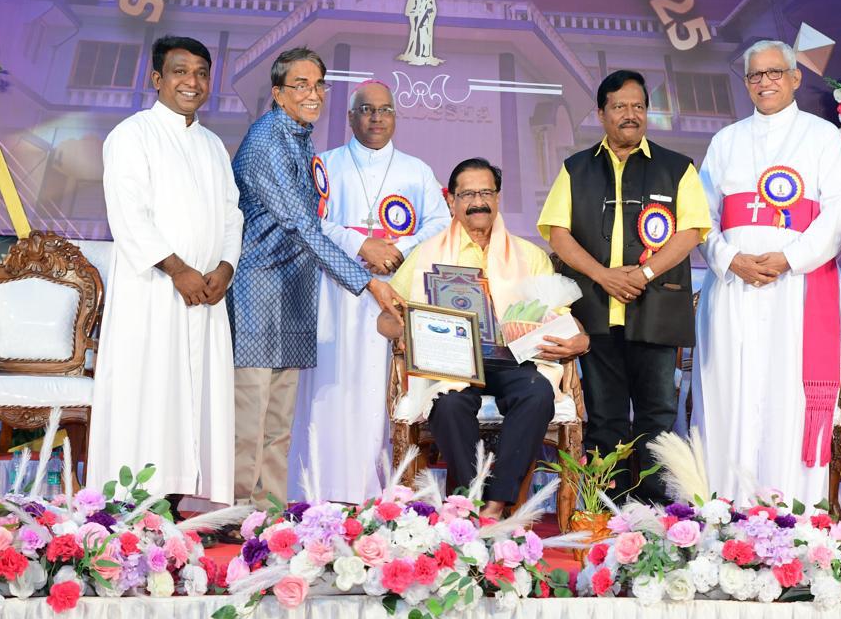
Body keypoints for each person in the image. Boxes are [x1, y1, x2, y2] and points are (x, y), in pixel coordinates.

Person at [228, 48, 402, 510]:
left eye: (318, 84)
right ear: (278, 92)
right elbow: (303, 226)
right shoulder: (267, 140)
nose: (312, 94)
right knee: (250, 416)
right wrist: (367, 282)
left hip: (293, 292)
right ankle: (236, 514)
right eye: (300, 84)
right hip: (258, 290)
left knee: (279, 421)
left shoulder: (299, 136)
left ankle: (268, 514)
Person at [379, 158, 589, 519]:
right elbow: (386, 318)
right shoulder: (427, 254)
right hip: (452, 365)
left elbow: (563, 316)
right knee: (448, 405)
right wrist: (407, 329)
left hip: (514, 360)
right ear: (451, 201)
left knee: (538, 393)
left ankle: (495, 504)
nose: (478, 202)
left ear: (498, 197)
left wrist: (581, 340)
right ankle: (471, 501)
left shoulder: (529, 255)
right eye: (468, 194)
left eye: (486, 193)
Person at [691, 40, 841, 506]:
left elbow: (838, 214)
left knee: (788, 393)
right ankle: (723, 504)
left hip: (798, 287)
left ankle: (793, 508)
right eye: (755, 75)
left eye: (775, 72)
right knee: (729, 390)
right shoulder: (726, 141)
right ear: (746, 83)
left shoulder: (823, 137)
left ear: (795, 77)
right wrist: (730, 259)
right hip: (733, 289)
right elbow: (701, 215)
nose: (765, 82)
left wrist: (788, 259)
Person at [538, 70, 710, 503]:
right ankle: (606, 506)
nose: (630, 115)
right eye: (619, 107)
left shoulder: (678, 167)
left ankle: (654, 509)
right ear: (601, 114)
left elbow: (691, 232)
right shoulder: (576, 168)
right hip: (597, 311)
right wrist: (604, 275)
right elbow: (558, 233)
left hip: (657, 309)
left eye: (638, 106)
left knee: (657, 415)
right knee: (605, 417)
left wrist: (643, 275)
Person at [89, 35, 241, 504]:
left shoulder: (213, 145)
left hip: (206, 295)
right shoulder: (132, 135)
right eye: (180, 71)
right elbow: (129, 214)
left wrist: (224, 268)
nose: (192, 82)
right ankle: (133, 503)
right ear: (156, 78)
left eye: (201, 73)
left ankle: (177, 502)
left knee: (195, 400)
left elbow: (232, 214)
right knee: (151, 394)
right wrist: (177, 270)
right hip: (154, 291)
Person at [287, 80, 450, 503]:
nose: (376, 117)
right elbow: (307, 220)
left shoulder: (416, 170)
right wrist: (361, 244)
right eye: (366, 109)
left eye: (385, 109)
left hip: (391, 292)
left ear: (395, 116)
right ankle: (320, 490)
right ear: (350, 117)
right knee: (330, 386)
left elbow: (440, 222)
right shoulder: (324, 165)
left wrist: (398, 249)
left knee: (378, 388)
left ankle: (377, 492)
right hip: (333, 290)